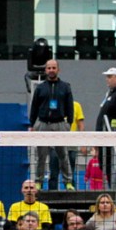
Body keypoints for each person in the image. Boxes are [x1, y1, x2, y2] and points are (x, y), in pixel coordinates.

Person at [28, 59, 75, 191]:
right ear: (45, 70)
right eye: (49, 68)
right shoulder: (40, 88)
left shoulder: (65, 87)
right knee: (41, 156)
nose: (51, 70)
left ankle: (68, 182)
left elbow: (69, 106)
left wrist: (69, 123)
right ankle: (39, 181)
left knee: (63, 155)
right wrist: (32, 124)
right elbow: (34, 107)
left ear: (58, 70)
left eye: (54, 68)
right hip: (42, 124)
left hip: (60, 124)